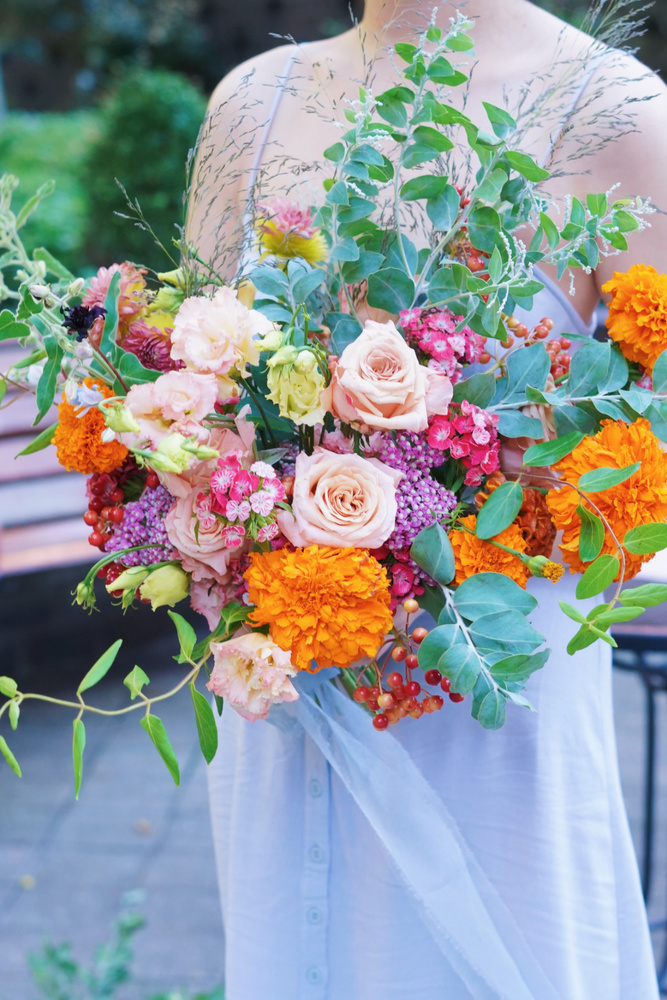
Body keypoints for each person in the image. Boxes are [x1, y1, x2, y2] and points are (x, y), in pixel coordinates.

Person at [187, 2, 667, 997]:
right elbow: (192, 377)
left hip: (490, 700)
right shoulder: (251, 104)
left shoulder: (614, 109)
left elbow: (650, 443)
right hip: (285, 694)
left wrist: (468, 485)